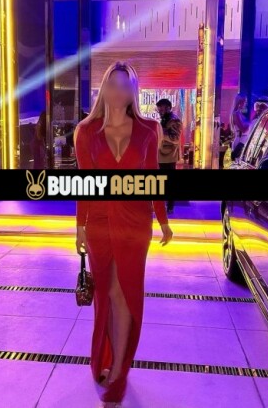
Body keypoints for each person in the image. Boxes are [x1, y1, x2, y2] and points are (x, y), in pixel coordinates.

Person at [74, 61, 173, 407]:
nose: (118, 92)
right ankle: (110, 360)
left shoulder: (149, 129)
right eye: (113, 84)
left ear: (134, 91)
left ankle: (118, 370)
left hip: (134, 222)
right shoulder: (86, 131)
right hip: (100, 223)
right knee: (107, 294)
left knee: (124, 292)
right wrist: (80, 226)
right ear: (104, 88)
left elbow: (153, 178)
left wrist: (163, 220)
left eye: (125, 85)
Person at [156, 98, 182, 214]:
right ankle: (163, 206)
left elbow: (175, 138)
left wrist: (160, 132)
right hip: (162, 156)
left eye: (161, 109)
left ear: (168, 108)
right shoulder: (166, 119)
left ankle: (170, 206)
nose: (160, 111)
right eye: (159, 109)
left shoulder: (174, 120)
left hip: (169, 156)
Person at [230, 93, 249, 161]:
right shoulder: (236, 114)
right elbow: (243, 129)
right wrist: (252, 123)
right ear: (240, 102)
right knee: (238, 162)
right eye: (245, 101)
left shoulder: (239, 114)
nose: (246, 103)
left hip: (241, 141)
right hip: (240, 142)